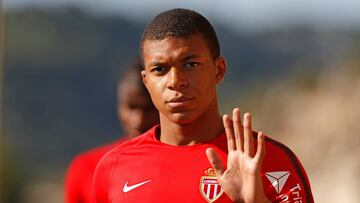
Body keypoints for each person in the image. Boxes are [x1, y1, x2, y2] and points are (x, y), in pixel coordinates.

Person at [92, 8, 314, 203]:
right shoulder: (113, 167)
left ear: (219, 70)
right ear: (146, 81)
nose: (175, 81)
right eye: (160, 69)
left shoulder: (268, 161)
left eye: (190, 64)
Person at [64, 59, 159, 203]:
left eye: (148, 108)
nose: (138, 120)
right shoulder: (86, 168)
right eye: (131, 107)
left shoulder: (184, 163)